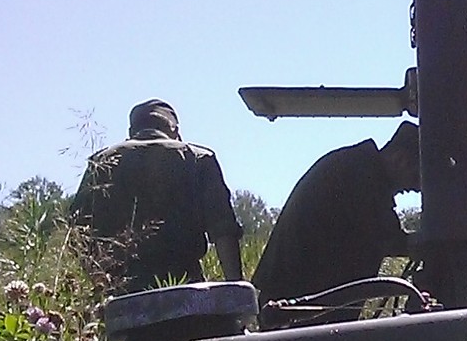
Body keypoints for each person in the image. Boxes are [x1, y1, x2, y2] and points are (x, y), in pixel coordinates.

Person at [70, 99, 244, 293]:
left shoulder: (102, 161)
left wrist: (102, 285)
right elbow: (223, 232)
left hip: (122, 290)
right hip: (185, 288)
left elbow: (77, 234)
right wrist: (236, 289)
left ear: (131, 131)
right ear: (175, 130)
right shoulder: (198, 158)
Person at [253, 122, 421, 306]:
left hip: (298, 299)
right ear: (400, 159)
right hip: (297, 302)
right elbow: (389, 239)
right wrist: (436, 243)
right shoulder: (360, 174)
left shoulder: (356, 165)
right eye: (415, 177)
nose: (415, 188)